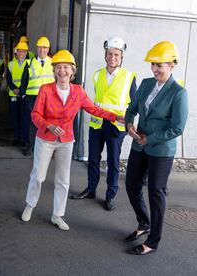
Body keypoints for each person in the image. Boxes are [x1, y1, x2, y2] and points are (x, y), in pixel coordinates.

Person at [20, 50, 123, 231]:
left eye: (66, 67)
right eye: (58, 67)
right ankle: (30, 205)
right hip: (45, 138)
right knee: (38, 176)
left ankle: (57, 215)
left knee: (63, 179)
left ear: (72, 70)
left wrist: (115, 117)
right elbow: (35, 115)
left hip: (66, 140)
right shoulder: (46, 89)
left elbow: (93, 109)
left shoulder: (78, 91)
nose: (62, 71)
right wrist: (48, 125)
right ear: (54, 70)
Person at [124, 41, 188, 255]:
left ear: (172, 65)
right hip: (139, 144)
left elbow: (177, 128)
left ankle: (153, 241)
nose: (154, 69)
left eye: (159, 64)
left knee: (155, 192)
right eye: (153, 64)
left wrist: (149, 139)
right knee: (132, 186)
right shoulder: (145, 83)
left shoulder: (178, 93)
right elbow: (132, 108)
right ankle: (144, 223)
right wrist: (129, 124)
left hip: (161, 150)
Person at [69, 37, 137, 211]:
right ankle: (91, 189)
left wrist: (130, 123)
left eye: (116, 54)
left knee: (113, 162)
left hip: (117, 126)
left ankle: (110, 195)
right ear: (105, 55)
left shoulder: (129, 77)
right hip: (98, 123)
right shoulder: (97, 74)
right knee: (93, 158)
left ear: (121, 57)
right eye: (110, 54)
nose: (112, 57)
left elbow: (134, 105)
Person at [21, 36, 54, 156]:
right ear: (37, 48)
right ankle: (31, 148)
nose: (42, 50)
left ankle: (46, 149)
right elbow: (24, 80)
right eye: (40, 47)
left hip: (49, 98)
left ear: (48, 49)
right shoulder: (29, 63)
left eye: (44, 48)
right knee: (33, 122)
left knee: (48, 122)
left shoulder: (53, 63)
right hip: (32, 97)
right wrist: (24, 95)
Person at [6, 41, 29, 146]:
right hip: (13, 94)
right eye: (19, 51)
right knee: (14, 117)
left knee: (24, 117)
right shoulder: (10, 64)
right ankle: (16, 138)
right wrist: (14, 88)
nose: (21, 54)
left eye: (23, 52)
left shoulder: (29, 64)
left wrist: (21, 90)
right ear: (16, 53)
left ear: (26, 53)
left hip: (24, 94)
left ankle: (24, 139)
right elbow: (8, 79)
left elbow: (28, 79)